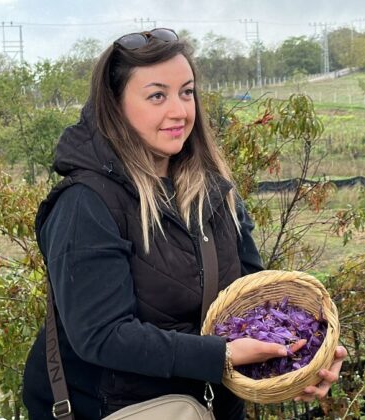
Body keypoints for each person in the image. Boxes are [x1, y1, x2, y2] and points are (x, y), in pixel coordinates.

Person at [22, 28, 347, 419]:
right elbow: (102, 335)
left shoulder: (214, 192)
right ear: (115, 105)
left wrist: (298, 356)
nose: (179, 111)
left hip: (215, 408)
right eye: (157, 95)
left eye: (187, 92)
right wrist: (220, 354)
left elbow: (252, 303)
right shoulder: (85, 204)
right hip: (120, 409)